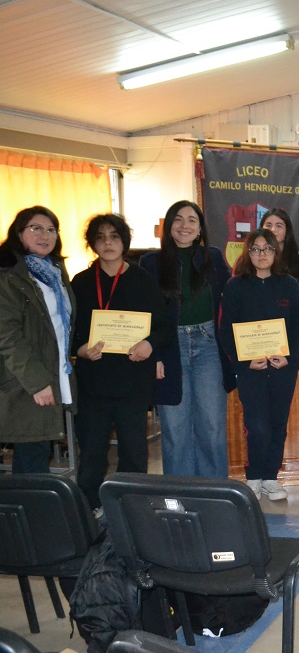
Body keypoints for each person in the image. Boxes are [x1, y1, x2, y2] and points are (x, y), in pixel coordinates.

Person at [71, 214, 173, 509]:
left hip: (132, 383)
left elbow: (164, 326)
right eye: (101, 238)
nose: (108, 243)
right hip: (93, 383)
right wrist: (80, 349)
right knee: (91, 453)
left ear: (124, 242)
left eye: (114, 237)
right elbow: (69, 331)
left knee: (133, 453)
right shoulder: (81, 282)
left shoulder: (143, 280)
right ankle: (88, 510)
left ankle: (132, 508)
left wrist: (149, 344)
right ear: (92, 244)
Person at [139, 200, 233, 477]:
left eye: (192, 220)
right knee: (175, 426)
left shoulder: (213, 257)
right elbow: (145, 312)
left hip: (209, 347)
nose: (185, 226)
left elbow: (231, 298)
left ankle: (215, 492)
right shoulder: (150, 263)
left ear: (200, 227)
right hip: (169, 348)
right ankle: (180, 492)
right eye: (178, 220)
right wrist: (154, 355)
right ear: (168, 226)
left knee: (212, 425)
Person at [221, 229, 299, 501]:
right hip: (251, 370)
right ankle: (254, 477)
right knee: (256, 425)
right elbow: (226, 329)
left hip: (283, 368)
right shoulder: (235, 285)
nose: (262, 254)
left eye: (267, 248)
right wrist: (245, 361)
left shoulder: (290, 285)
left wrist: (290, 358)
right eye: (256, 249)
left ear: (276, 252)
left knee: (277, 424)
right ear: (248, 253)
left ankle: (271, 478)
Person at [0, 207, 76, 473]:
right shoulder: (8, 276)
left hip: (52, 373)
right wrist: (37, 382)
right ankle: (28, 514)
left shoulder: (54, 273)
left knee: (38, 451)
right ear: (19, 234)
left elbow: (59, 326)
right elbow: (8, 336)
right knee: (32, 455)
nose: (45, 235)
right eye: (36, 228)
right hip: (25, 381)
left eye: (51, 229)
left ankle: (32, 512)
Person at [260, 207, 299, 289]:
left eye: (279, 226)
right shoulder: (253, 257)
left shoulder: (298, 262)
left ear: (287, 230)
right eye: (268, 225)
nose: (273, 230)